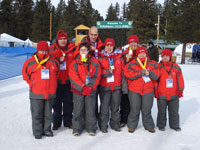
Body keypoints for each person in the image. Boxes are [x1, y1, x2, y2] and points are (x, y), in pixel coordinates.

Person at [22, 41, 59, 139]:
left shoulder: (54, 61)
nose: (44, 53)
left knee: (48, 114)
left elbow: (57, 73)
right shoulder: (30, 62)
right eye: (42, 51)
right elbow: (25, 74)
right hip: (36, 92)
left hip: (50, 92)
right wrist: (32, 82)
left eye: (46, 51)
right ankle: (37, 132)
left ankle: (47, 130)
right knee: (37, 113)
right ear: (38, 50)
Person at [124, 47, 159, 133]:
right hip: (134, 90)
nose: (142, 55)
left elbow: (157, 75)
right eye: (140, 53)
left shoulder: (152, 63)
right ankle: (131, 125)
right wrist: (139, 73)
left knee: (146, 109)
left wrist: (149, 73)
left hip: (148, 90)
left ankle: (149, 126)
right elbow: (127, 74)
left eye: (143, 53)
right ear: (137, 54)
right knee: (134, 109)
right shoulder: (131, 64)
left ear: (146, 54)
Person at [69, 42, 101, 136]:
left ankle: (91, 128)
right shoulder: (74, 62)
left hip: (90, 90)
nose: (83, 51)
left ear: (88, 51)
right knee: (78, 110)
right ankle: (77, 128)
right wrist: (82, 87)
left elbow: (97, 76)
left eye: (85, 50)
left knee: (90, 109)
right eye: (81, 49)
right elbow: (73, 76)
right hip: (78, 90)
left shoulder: (94, 62)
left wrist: (90, 87)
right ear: (79, 51)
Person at [49, 30, 76, 130]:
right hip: (57, 82)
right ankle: (56, 122)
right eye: (61, 39)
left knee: (68, 103)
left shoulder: (72, 49)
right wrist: (56, 57)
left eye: (64, 38)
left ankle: (68, 122)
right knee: (56, 103)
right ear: (57, 39)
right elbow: (46, 58)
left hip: (69, 82)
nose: (63, 41)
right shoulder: (52, 49)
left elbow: (82, 51)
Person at [155, 49, 184, 131]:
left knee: (174, 111)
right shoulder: (158, 67)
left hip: (174, 94)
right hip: (162, 94)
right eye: (163, 56)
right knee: (161, 111)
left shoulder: (176, 67)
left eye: (167, 56)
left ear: (170, 57)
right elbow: (155, 80)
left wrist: (180, 90)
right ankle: (161, 125)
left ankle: (175, 125)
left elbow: (180, 79)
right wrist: (156, 90)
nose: (165, 58)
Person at [98, 38, 124, 133]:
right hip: (105, 86)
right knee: (104, 108)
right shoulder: (100, 57)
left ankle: (115, 124)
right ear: (105, 46)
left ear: (114, 46)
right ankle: (103, 125)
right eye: (107, 46)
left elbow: (123, 72)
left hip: (116, 86)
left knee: (115, 107)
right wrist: (106, 72)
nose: (109, 48)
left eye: (111, 46)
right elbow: (98, 72)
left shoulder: (119, 57)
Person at [120, 35, 140, 128]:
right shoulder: (125, 52)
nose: (133, 44)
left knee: (134, 102)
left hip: (137, 81)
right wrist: (124, 56)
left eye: (135, 42)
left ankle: (132, 119)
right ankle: (123, 119)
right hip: (126, 81)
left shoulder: (141, 52)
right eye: (131, 42)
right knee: (125, 101)